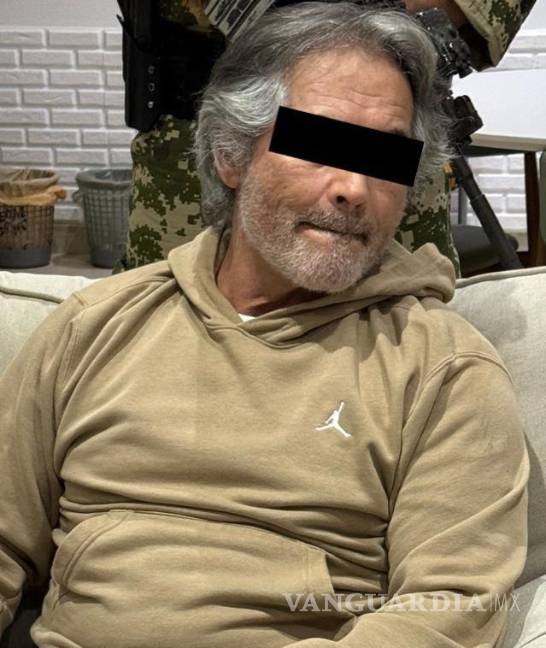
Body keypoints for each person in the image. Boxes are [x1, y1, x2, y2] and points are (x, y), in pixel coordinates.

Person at [0, 3, 529, 647]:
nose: (354, 187)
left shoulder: (443, 368)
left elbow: (451, 604)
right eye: (320, 145)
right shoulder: (96, 326)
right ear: (231, 155)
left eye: (383, 158)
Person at [112, 0, 537, 279]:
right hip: (191, 143)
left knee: (399, 336)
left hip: (371, 128)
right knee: (173, 331)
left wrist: (367, 25)